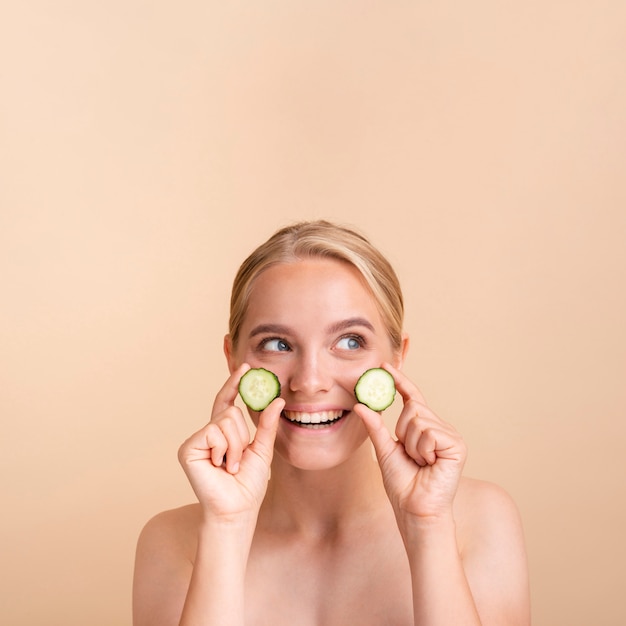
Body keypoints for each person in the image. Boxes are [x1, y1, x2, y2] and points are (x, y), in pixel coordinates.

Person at [132, 219, 530, 626]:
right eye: (277, 344)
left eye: (350, 341)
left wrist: (426, 526)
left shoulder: (479, 519)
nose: (309, 382)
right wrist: (226, 528)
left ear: (396, 359)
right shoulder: (173, 542)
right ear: (233, 359)